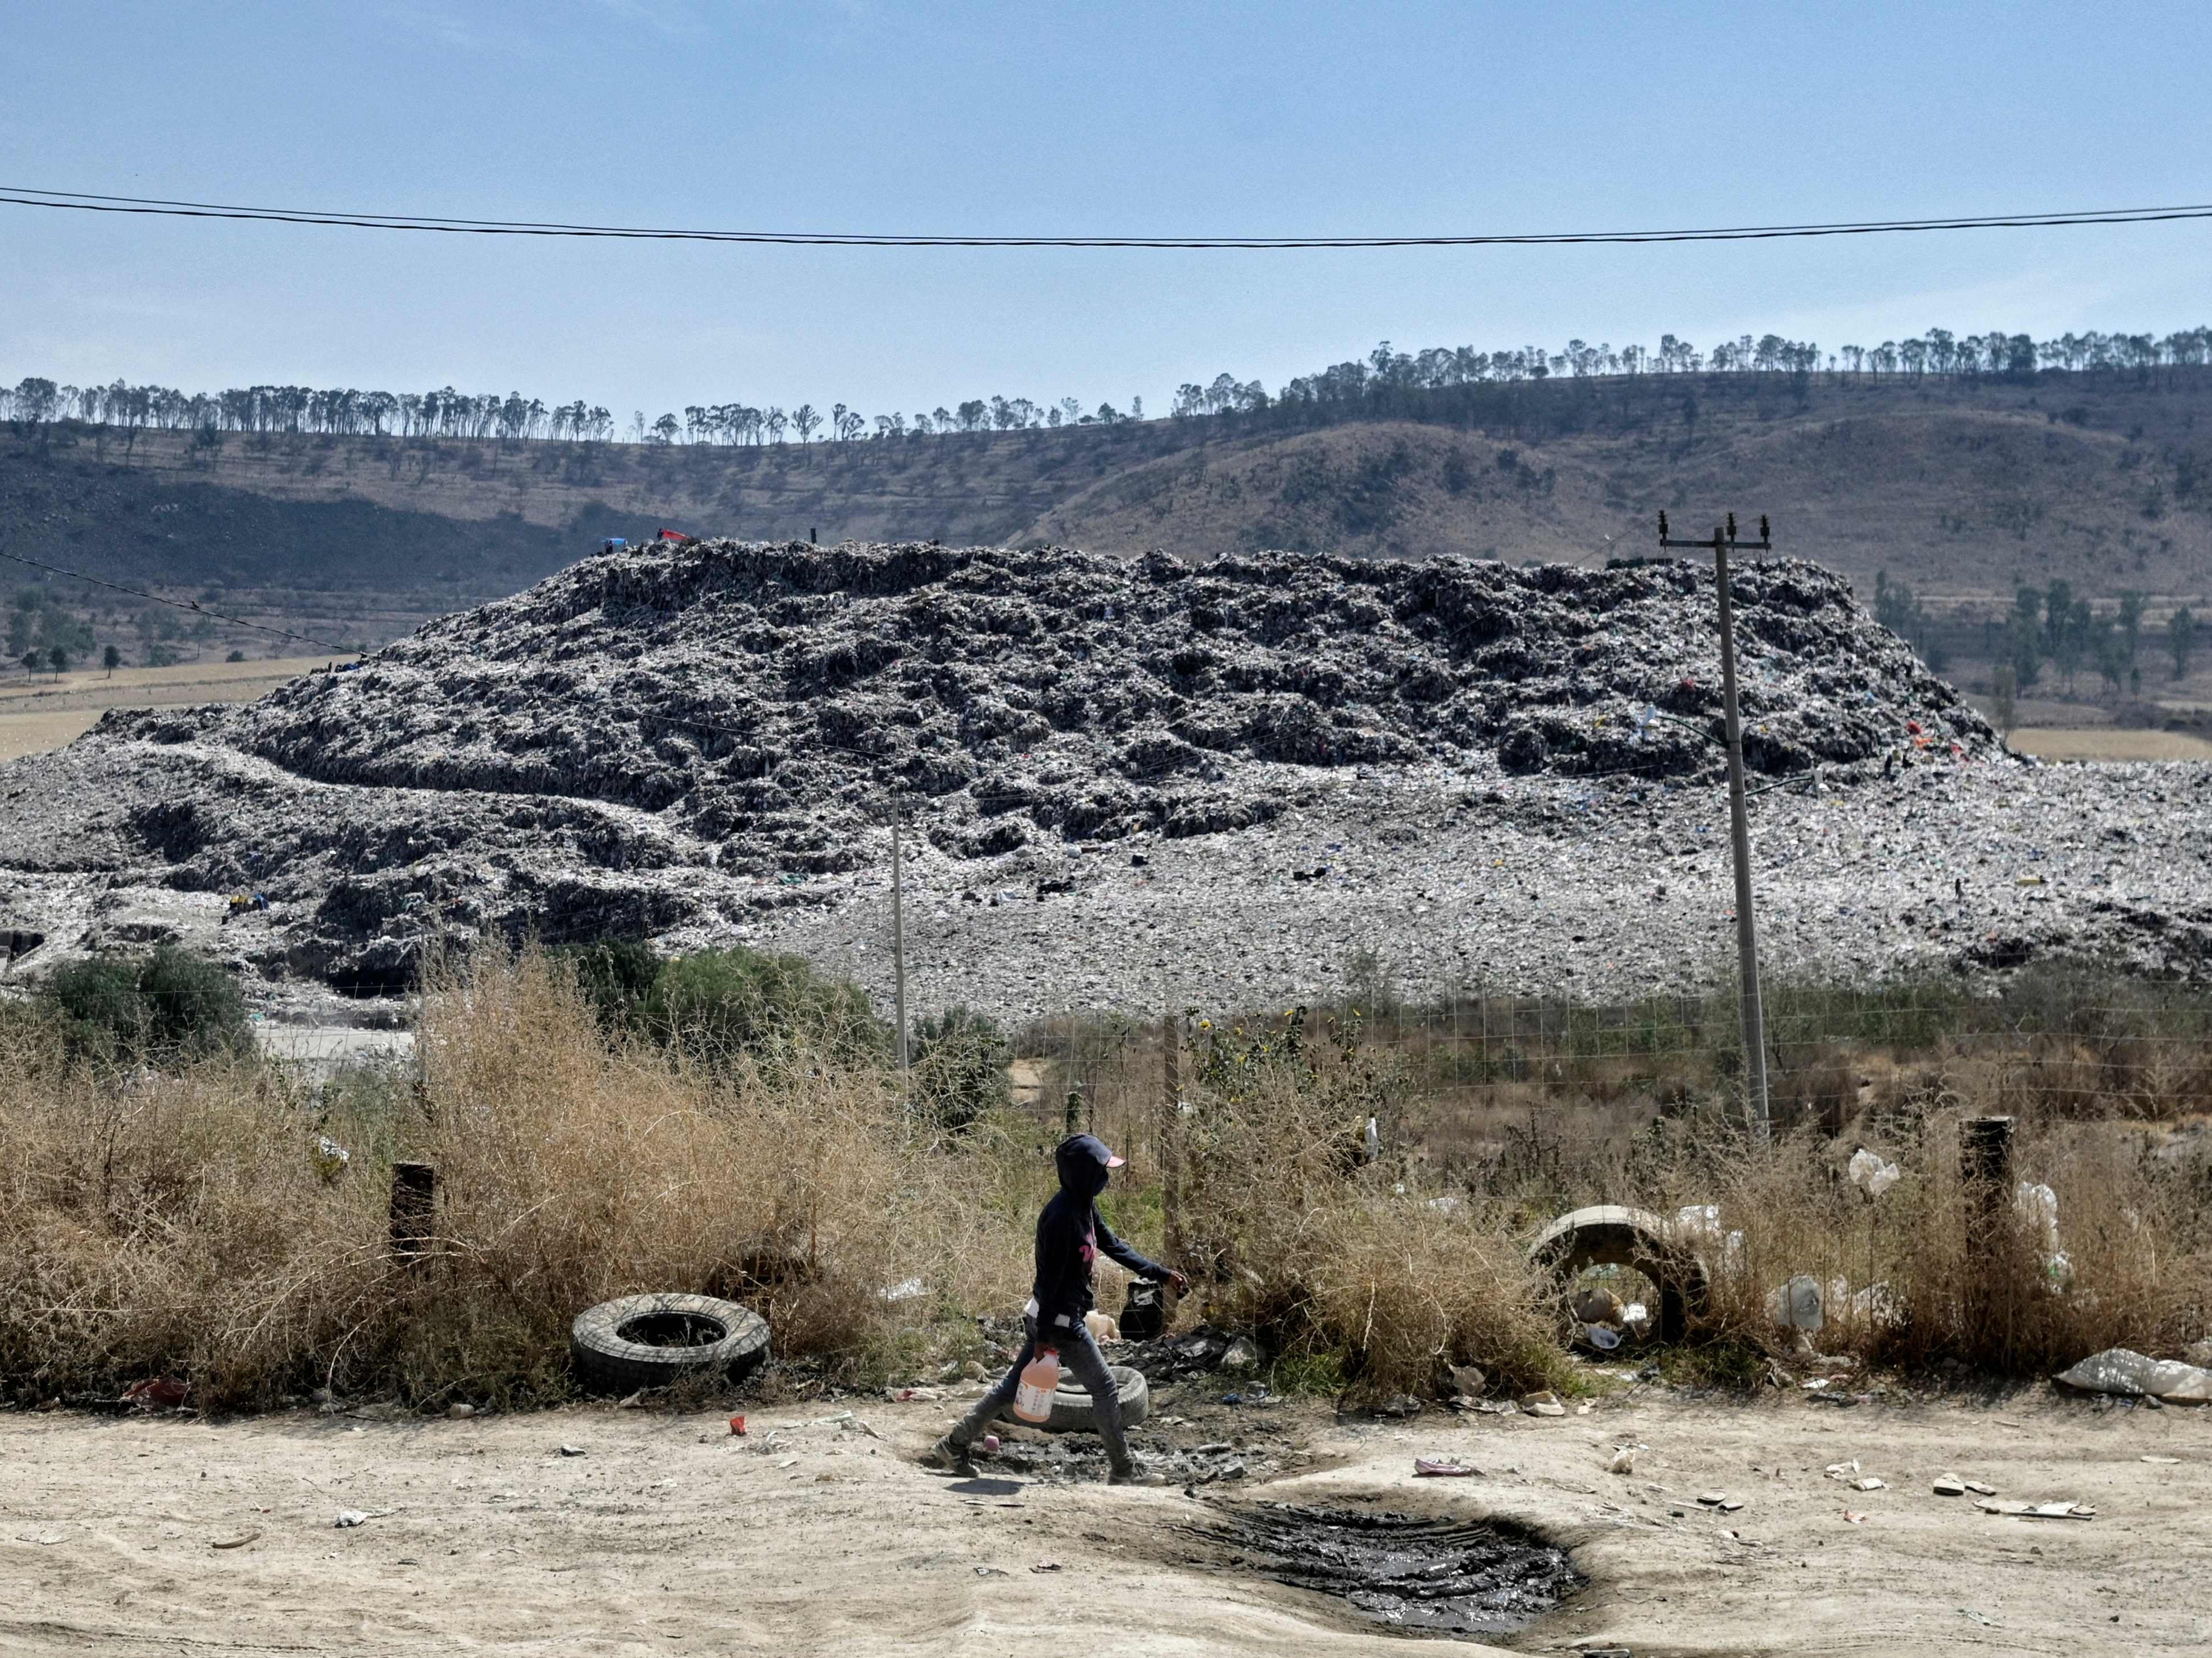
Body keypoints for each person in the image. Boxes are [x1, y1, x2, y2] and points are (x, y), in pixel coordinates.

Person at [925, 1133, 1187, 1486]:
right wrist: (1047, 1336)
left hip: (1050, 1316)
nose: (1106, 1177)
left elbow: (1114, 1246)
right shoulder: (1062, 1217)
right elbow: (1050, 1280)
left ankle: (954, 1444)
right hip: (1060, 1321)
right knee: (1106, 1388)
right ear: (1082, 1173)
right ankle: (1124, 1470)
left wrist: (1162, 1274)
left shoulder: (1083, 1206)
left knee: (1010, 1388)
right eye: (1100, 1170)